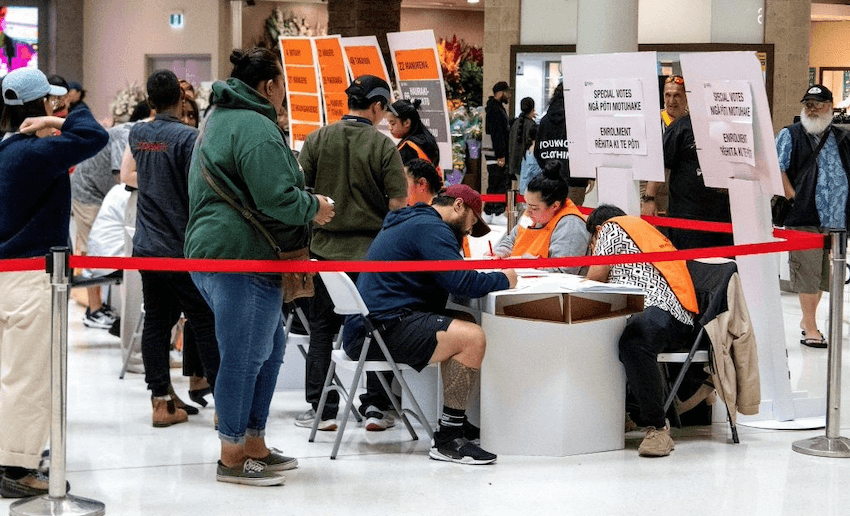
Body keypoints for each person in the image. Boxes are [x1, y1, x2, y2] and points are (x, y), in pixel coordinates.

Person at [186, 47, 334, 486]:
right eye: (283, 84)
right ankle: (233, 456)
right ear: (270, 86)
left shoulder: (218, 118)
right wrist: (315, 207)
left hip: (219, 253)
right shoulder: (255, 126)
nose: (284, 93)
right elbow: (277, 197)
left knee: (267, 348)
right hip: (242, 257)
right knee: (245, 355)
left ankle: (254, 445)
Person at [343, 185, 518, 464]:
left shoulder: (415, 220)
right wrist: (504, 279)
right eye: (472, 222)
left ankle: (454, 420)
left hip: (369, 327)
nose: (469, 231)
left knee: (466, 322)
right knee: (471, 337)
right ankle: (448, 439)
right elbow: (460, 282)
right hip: (378, 331)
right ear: (458, 206)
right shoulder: (432, 228)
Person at [0, 67, 108, 498]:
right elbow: (93, 134)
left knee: (11, 371)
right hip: (29, 277)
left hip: (7, 274)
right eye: (51, 101)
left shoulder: (6, 150)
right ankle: (16, 467)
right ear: (40, 104)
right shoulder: (35, 153)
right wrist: (54, 121)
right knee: (29, 376)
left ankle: (12, 454)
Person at [296, 74, 407, 431]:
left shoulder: (316, 139)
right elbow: (398, 204)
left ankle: (322, 409)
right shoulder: (383, 146)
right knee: (375, 329)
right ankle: (375, 407)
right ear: (376, 106)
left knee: (321, 330)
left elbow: (299, 193)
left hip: (323, 253)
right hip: (371, 256)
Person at [124, 69, 220, 428]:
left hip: (148, 244)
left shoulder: (138, 134)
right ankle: (225, 405)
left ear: (149, 101)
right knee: (204, 320)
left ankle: (161, 402)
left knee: (156, 321)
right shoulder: (189, 138)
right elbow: (198, 189)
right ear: (181, 100)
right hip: (180, 246)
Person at [585, 204, 698, 457]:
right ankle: (627, 412)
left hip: (657, 307)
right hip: (679, 313)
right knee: (615, 338)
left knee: (633, 342)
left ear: (597, 230)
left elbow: (596, 276)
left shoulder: (611, 228)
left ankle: (657, 428)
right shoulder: (644, 230)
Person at [775, 84, 850, 348]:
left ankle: (807, 319)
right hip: (803, 216)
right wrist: (792, 196)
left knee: (821, 275)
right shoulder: (790, 134)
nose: (812, 109)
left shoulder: (842, 137)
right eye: (808, 104)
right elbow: (776, 168)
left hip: (835, 220)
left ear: (830, 106)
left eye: (818, 104)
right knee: (806, 271)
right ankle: (811, 327)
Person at [71, 100, 145, 330]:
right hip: (88, 192)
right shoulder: (127, 134)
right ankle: (93, 311)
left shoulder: (137, 134)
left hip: (102, 192)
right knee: (90, 248)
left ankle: (100, 306)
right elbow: (121, 176)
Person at [643, 75, 733, 250]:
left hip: (721, 215)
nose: (672, 101)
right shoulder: (679, 127)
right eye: (668, 95)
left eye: (677, 95)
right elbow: (661, 165)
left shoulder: (726, 126)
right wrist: (649, 199)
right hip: (686, 215)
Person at [492, 161, 588, 273]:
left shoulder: (571, 225)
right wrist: (500, 253)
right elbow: (511, 240)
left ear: (555, 206)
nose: (528, 211)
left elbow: (563, 271)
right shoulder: (529, 215)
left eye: (534, 208)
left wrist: (528, 264)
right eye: (527, 204)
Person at [534, 82, 590, 206]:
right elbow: (584, 149)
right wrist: (588, 175)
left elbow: (538, 152)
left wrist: (548, 168)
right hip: (575, 180)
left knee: (553, 215)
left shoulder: (544, 121)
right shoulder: (577, 120)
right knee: (571, 215)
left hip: (550, 180)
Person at [484, 81, 511, 221]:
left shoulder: (494, 108)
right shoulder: (496, 110)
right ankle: (496, 213)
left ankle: (490, 212)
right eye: (507, 92)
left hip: (493, 153)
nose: (509, 95)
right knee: (498, 182)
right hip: (496, 154)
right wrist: (501, 154)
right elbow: (497, 134)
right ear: (500, 93)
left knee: (494, 181)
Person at [386, 98, 440, 166]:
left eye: (393, 123)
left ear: (407, 122)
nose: (390, 128)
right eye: (389, 123)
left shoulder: (409, 149)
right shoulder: (426, 139)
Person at [508, 96, 536, 182]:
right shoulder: (531, 125)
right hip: (526, 163)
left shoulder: (515, 123)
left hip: (514, 164)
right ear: (532, 109)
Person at [518, 125, 543, 194]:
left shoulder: (528, 147)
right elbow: (534, 170)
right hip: (531, 188)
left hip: (525, 186)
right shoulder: (533, 149)